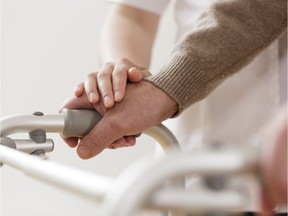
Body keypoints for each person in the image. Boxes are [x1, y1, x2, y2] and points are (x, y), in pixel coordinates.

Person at [61, 0, 287, 215]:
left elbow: (258, 9)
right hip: (194, 160)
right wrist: (120, 85)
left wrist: (162, 90)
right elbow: (134, 13)